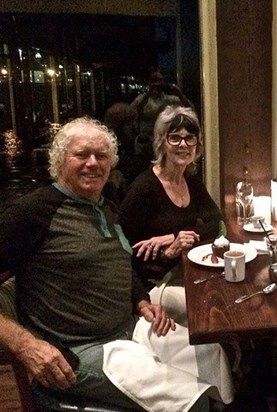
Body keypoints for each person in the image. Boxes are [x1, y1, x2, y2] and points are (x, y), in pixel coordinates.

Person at [0, 117, 234, 411]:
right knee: (192, 399)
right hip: (79, 350)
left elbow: (121, 261)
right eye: (82, 155)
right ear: (59, 161)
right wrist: (24, 345)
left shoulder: (105, 206)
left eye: (101, 156)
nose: (93, 163)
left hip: (132, 329)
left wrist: (141, 301)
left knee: (211, 355)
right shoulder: (32, 212)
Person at [120, 105, 224, 291]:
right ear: (161, 143)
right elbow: (125, 251)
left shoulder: (190, 180)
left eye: (189, 138)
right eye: (174, 138)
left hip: (185, 271)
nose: (183, 145)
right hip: (154, 283)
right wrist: (167, 252)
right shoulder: (144, 188)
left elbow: (215, 223)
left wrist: (173, 236)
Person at [130, 70, 194, 162]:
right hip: (146, 140)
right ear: (149, 82)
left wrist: (178, 93)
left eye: (159, 81)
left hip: (164, 139)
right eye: (154, 80)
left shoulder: (170, 99)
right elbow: (130, 112)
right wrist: (147, 95)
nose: (157, 84)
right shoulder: (142, 99)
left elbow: (190, 108)